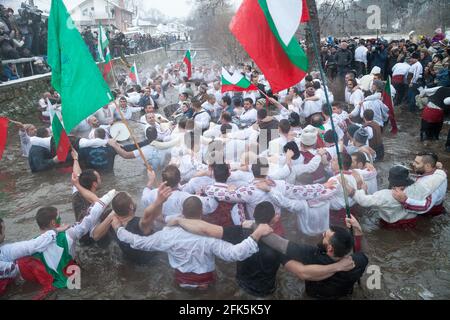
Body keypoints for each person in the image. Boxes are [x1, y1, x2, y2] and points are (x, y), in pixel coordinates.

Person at [169, 202, 356, 298]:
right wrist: (338, 266)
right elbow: (302, 272)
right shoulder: (281, 245)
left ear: (255, 216)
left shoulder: (238, 231)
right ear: (274, 220)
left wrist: (179, 221)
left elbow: (205, 228)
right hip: (265, 292)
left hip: (241, 284)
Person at [111, 196, 274, 289]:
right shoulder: (210, 238)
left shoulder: (168, 234)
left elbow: (139, 242)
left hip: (180, 281)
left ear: (182, 213)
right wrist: (256, 234)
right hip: (205, 282)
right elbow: (235, 253)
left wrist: (119, 229)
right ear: (201, 213)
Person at [280, 215, 367, 299]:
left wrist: (280, 256)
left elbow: (301, 272)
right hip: (344, 295)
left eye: (324, 235)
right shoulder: (359, 261)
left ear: (330, 248)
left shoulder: (314, 257)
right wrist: (357, 229)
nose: (322, 234)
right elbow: (360, 251)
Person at [91, 182, 172, 264]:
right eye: (132, 198)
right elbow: (149, 216)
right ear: (131, 206)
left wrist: (112, 214)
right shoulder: (139, 225)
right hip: (151, 262)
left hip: (129, 260)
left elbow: (95, 235)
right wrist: (159, 201)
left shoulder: (113, 223)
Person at [0, 218, 59, 299]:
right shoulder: (4, 251)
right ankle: (49, 287)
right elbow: (33, 245)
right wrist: (54, 231)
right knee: (25, 262)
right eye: (3, 230)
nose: (4, 235)